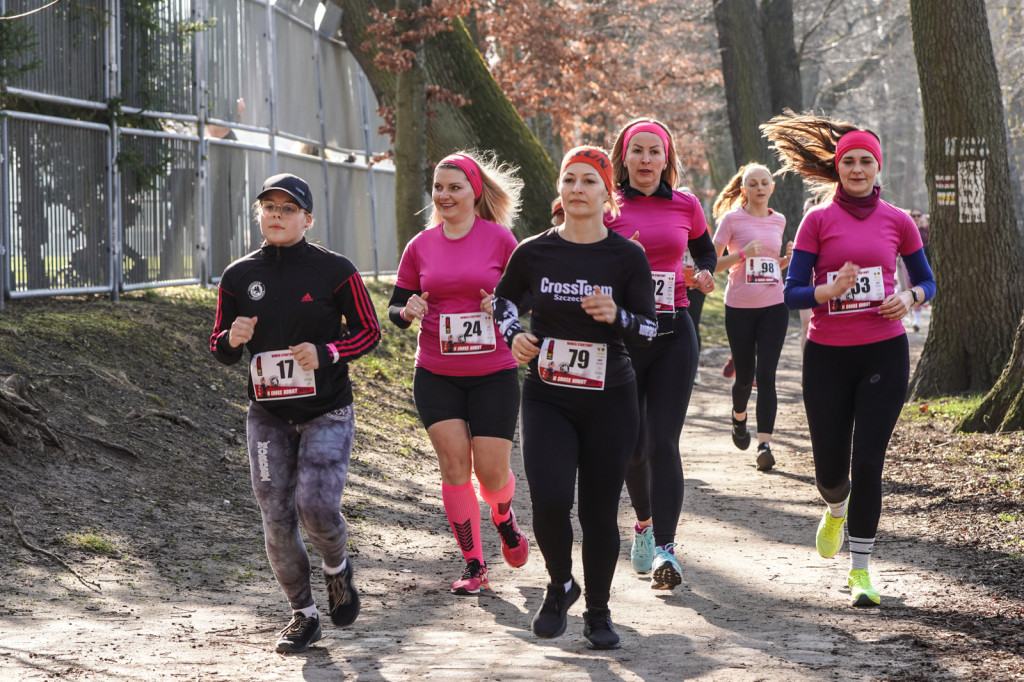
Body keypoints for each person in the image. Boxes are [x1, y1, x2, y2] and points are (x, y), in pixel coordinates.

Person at [762, 112, 936, 607]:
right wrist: (827, 289)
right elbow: (791, 292)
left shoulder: (898, 221)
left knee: (869, 460)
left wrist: (913, 298)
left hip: (884, 348)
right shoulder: (817, 220)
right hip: (827, 356)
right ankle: (834, 508)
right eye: (849, 161)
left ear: (877, 168)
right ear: (837, 168)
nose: (858, 169)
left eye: (866, 161)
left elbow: (927, 279)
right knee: (830, 466)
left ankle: (861, 570)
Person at [209, 173, 381, 653]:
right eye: (269, 208)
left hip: (327, 411)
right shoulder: (238, 275)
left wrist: (327, 352)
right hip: (267, 417)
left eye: (288, 209)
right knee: (277, 516)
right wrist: (232, 340)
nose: (277, 216)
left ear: (307, 218)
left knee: (317, 506)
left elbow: (369, 332)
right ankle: (303, 615)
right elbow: (219, 347)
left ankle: (336, 568)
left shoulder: (336, 270)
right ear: (259, 215)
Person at [493, 146, 657, 649]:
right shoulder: (534, 251)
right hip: (547, 396)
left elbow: (650, 329)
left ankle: (600, 612)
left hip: (610, 397)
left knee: (598, 512)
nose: (578, 189)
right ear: (559, 191)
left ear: (608, 193)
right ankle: (561, 583)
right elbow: (503, 298)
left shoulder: (627, 256)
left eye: (589, 180)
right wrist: (512, 334)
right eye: (570, 180)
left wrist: (618, 317)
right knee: (549, 499)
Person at [387, 151, 530, 596]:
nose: (444, 195)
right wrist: (406, 309)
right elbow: (396, 305)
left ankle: (503, 516)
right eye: (438, 187)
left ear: (475, 192)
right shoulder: (421, 245)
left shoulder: (502, 240)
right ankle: (474, 564)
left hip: (493, 371)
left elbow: (528, 297)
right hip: (436, 370)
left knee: (490, 474)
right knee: (453, 466)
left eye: (454, 187)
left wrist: (502, 306)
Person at [604, 118, 717, 589]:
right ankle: (645, 525)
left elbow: (705, 253)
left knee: (662, 441)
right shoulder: (606, 205)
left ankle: (667, 551)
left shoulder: (686, 204)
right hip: (623, 339)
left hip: (674, 332)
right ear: (624, 158)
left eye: (656, 152)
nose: (647, 160)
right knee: (632, 448)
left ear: (666, 159)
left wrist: (704, 274)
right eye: (639, 151)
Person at [711, 162, 794, 472]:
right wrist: (743, 254)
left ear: (772, 188)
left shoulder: (780, 220)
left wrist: (785, 259)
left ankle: (765, 445)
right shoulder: (732, 220)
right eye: (753, 184)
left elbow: (771, 265)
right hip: (740, 308)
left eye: (765, 183)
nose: (760, 188)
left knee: (767, 375)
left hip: (774, 305)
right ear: (743, 189)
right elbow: (713, 264)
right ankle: (738, 417)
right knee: (745, 376)